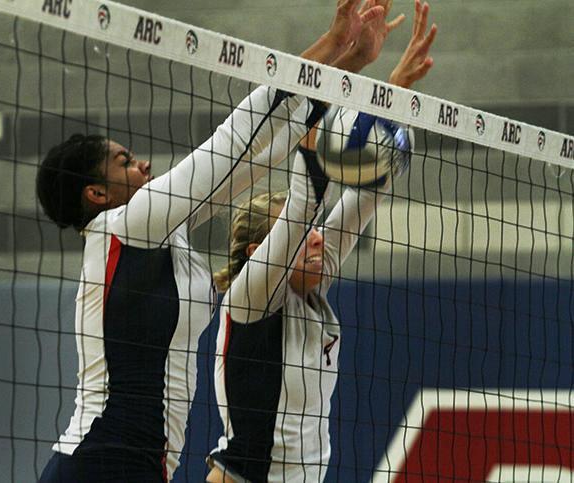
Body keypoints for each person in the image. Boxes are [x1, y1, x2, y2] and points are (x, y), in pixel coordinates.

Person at [35, 1, 396, 481]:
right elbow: (236, 138)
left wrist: (351, 64)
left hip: (138, 467)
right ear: (96, 193)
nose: (142, 165)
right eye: (124, 162)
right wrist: (332, 42)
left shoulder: (159, 234)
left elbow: (260, 157)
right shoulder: (125, 226)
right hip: (100, 462)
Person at [206, 1, 437, 481]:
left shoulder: (310, 286)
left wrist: (392, 95)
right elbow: (302, 207)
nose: (316, 239)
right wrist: (335, 81)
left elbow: (369, 187)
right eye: (296, 237)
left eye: (315, 236)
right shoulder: (251, 300)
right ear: (256, 255)